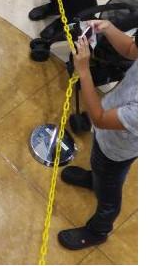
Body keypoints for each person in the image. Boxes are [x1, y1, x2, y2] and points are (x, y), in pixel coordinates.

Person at [57, 22, 138, 249]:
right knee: (99, 165)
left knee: (109, 190)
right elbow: (131, 49)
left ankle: (99, 230)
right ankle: (94, 179)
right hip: (109, 127)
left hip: (119, 148)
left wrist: (83, 70)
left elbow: (100, 118)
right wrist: (108, 28)